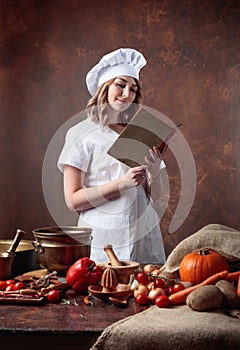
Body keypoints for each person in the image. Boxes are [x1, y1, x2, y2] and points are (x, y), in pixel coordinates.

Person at [57, 48, 166, 265]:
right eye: (121, 84)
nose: (127, 94)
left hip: (143, 231)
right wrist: (121, 184)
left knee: (146, 293)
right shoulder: (81, 133)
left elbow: (156, 196)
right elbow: (73, 200)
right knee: (105, 291)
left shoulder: (138, 133)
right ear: (104, 86)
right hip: (103, 235)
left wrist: (154, 174)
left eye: (133, 89)